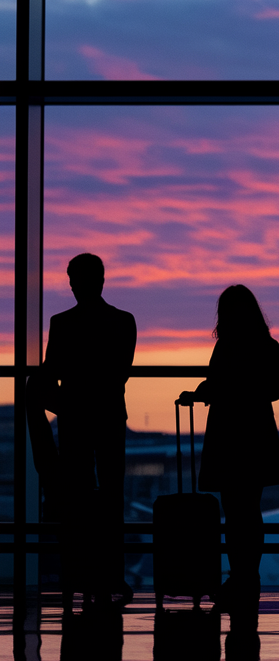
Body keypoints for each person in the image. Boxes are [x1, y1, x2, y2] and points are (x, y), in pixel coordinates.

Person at [179, 285, 279, 608]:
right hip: (255, 432)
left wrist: (204, 392)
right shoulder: (268, 346)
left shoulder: (225, 347)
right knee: (250, 510)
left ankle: (240, 575)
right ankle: (248, 576)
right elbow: (271, 391)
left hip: (227, 432)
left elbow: (216, 384)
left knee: (234, 511)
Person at [42, 252, 137, 604]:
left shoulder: (62, 323)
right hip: (109, 415)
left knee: (78, 499)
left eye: (73, 279)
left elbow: (51, 374)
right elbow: (119, 374)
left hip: (75, 419)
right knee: (112, 497)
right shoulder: (123, 321)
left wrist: (65, 403)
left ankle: (79, 574)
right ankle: (112, 575)